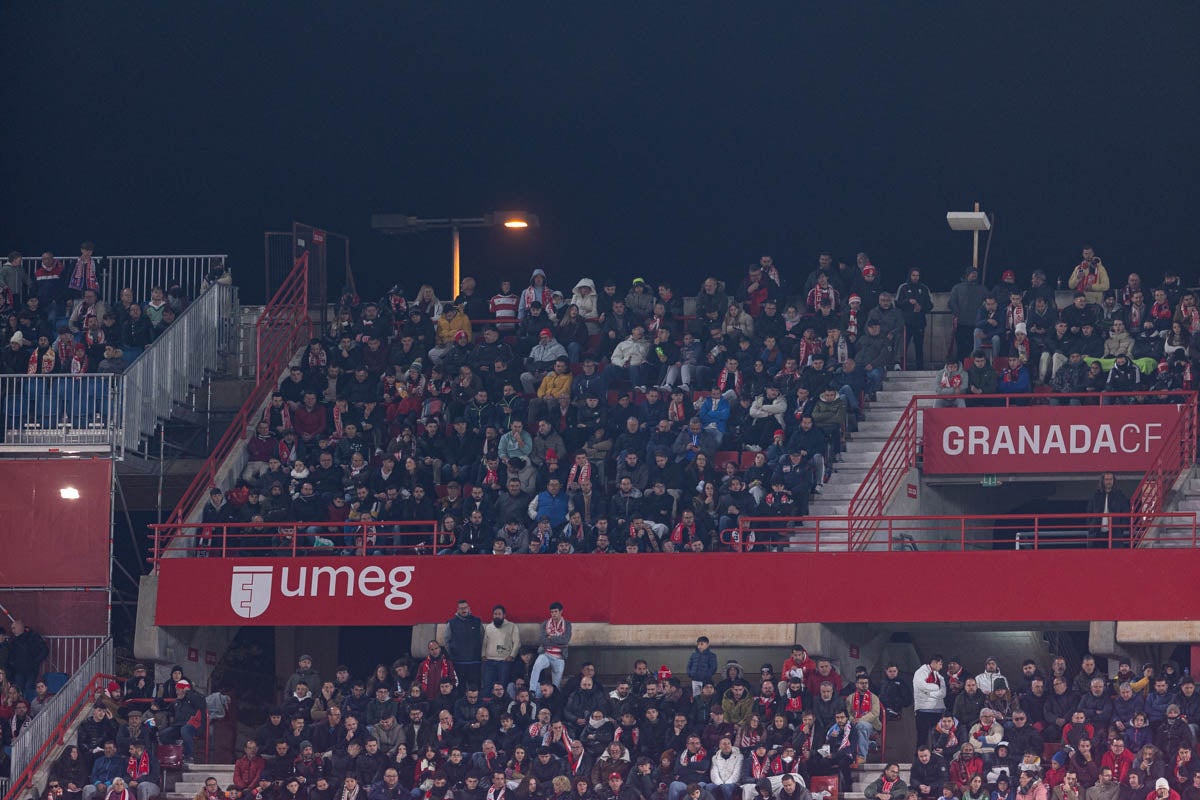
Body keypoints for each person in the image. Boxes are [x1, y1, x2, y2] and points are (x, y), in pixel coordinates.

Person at [531, 603, 572, 689]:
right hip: (546, 653)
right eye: (552, 612)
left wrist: (551, 637)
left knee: (556, 685)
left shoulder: (567, 624)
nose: (553, 614)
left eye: (556, 611)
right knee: (537, 665)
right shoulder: (545, 624)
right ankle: (532, 690)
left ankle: (554, 698)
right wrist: (559, 641)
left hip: (559, 656)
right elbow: (543, 640)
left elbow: (565, 640)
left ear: (561, 612)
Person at [445, 600, 484, 689]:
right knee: (460, 688)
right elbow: (446, 641)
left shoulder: (477, 621)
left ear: (469, 608)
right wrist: (453, 653)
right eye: (461, 608)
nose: (463, 610)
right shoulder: (451, 623)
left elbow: (482, 638)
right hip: (458, 662)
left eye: (465, 608)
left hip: (475, 662)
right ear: (457, 610)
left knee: (475, 688)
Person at [1087, 472, 1131, 548]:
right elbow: (1089, 512)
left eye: (1110, 479)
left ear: (1114, 481)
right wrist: (1091, 526)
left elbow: (1126, 513)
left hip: (1115, 533)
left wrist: (1121, 528)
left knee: (1114, 558)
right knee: (1097, 558)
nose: (1108, 482)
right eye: (1106, 479)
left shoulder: (1120, 496)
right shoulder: (1096, 495)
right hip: (1097, 534)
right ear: (1103, 481)